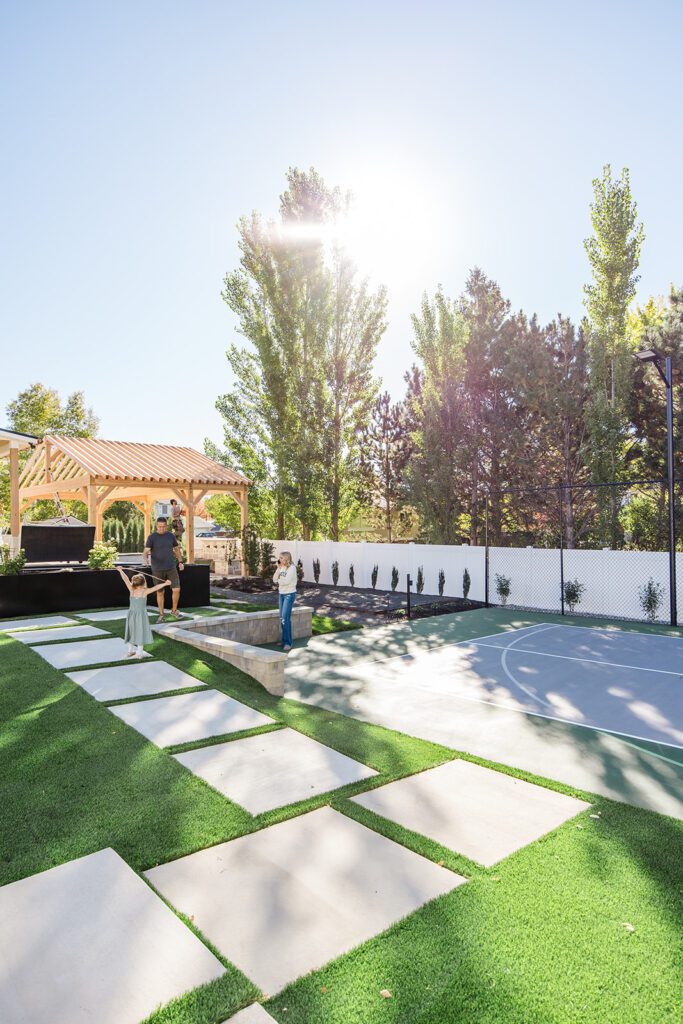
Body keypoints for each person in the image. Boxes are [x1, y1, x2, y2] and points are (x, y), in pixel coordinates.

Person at [116, 566, 171, 658]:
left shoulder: (131, 590)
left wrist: (120, 570)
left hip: (131, 615)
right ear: (143, 582)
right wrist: (166, 583)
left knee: (132, 632)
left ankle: (130, 651)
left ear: (134, 583)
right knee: (140, 632)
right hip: (141, 615)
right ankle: (140, 653)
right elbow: (157, 587)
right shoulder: (145, 591)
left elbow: (125, 579)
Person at [143, 516, 184, 622]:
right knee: (160, 592)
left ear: (167, 526)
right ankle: (161, 615)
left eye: (164, 526)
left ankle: (174, 610)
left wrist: (180, 562)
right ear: (157, 526)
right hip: (157, 569)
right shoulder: (152, 537)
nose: (162, 528)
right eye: (160, 526)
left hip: (171, 567)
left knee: (176, 589)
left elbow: (176, 549)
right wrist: (146, 559)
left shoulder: (170, 536)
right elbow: (146, 551)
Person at [273, 550, 297, 651]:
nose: (279, 559)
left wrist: (279, 581)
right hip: (281, 594)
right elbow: (274, 579)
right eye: (279, 558)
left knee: (285, 619)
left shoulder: (292, 568)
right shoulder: (281, 567)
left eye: (281, 558)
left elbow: (286, 582)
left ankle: (288, 642)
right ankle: (284, 640)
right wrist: (278, 569)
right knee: (282, 619)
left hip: (289, 595)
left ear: (286, 559)